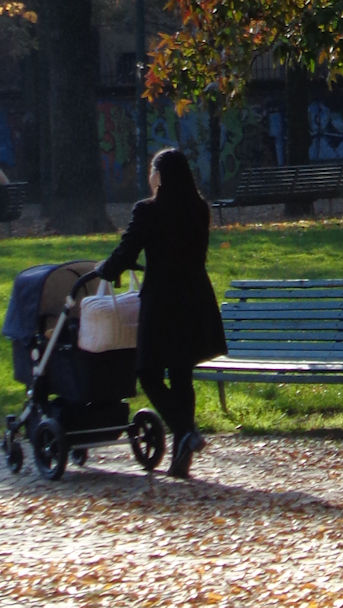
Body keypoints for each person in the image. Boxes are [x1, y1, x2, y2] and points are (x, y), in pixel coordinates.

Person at [93, 147, 227, 478]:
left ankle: (186, 430)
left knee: (148, 372)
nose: (149, 177)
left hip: (163, 300)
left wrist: (106, 270)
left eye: (153, 170)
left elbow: (128, 248)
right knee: (181, 373)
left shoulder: (148, 210)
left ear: (159, 176)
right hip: (195, 297)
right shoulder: (199, 209)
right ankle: (182, 450)